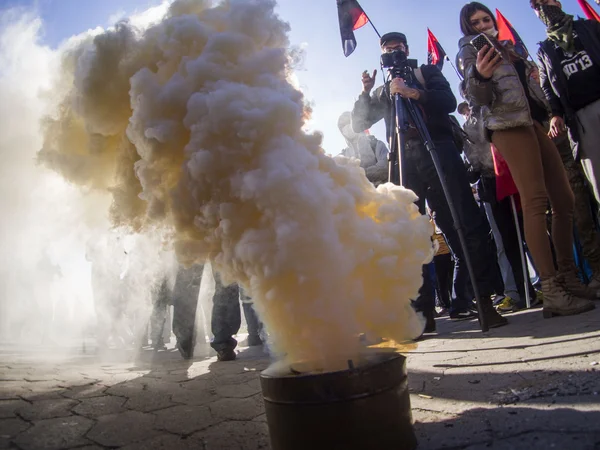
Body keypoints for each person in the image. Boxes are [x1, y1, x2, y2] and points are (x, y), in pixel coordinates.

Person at [352, 31, 507, 328]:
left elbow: (448, 101)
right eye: (387, 49)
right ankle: (422, 315)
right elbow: (359, 123)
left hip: (439, 150)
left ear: (407, 50)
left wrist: (415, 93)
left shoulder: (427, 72)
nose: (393, 53)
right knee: (409, 232)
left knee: (462, 221)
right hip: (403, 160)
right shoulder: (385, 90)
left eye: (398, 48)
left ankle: (480, 300)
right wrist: (366, 91)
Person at [456, 1, 595, 318]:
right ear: (468, 28)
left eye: (486, 19)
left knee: (565, 200)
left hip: (535, 123)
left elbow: (534, 87)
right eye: (475, 22)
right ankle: (552, 289)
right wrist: (480, 75)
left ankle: (568, 277)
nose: (482, 25)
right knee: (535, 201)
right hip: (507, 126)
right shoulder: (468, 50)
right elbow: (472, 95)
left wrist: (534, 81)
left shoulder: (510, 47)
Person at [459, 101, 538, 312]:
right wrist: (476, 168)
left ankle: (548, 280)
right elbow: (472, 157)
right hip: (491, 182)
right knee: (506, 241)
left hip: (513, 172)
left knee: (531, 230)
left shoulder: (493, 107)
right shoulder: (467, 126)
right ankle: (520, 290)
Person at [532, 0, 600, 212]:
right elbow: (548, 88)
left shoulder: (589, 27)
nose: (543, 6)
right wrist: (556, 114)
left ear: (558, 2)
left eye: (546, 1)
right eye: (537, 5)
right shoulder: (545, 50)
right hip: (581, 121)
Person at [338, 111, 389, 186]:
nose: (346, 127)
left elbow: (385, 167)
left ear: (355, 123)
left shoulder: (375, 144)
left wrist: (360, 174)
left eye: (348, 122)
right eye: (343, 126)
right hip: (355, 196)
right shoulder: (344, 155)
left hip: (379, 193)